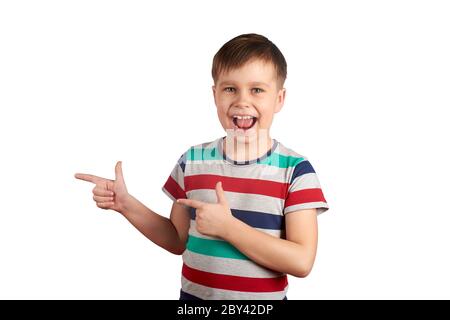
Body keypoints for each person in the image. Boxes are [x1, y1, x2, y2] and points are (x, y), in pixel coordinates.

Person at [75, 33, 329, 300]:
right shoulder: (193, 161)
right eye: (230, 88)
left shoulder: (296, 171)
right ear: (215, 94)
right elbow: (176, 239)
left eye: (257, 89)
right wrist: (126, 204)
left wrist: (228, 228)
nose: (242, 100)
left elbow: (302, 261)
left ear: (279, 99)